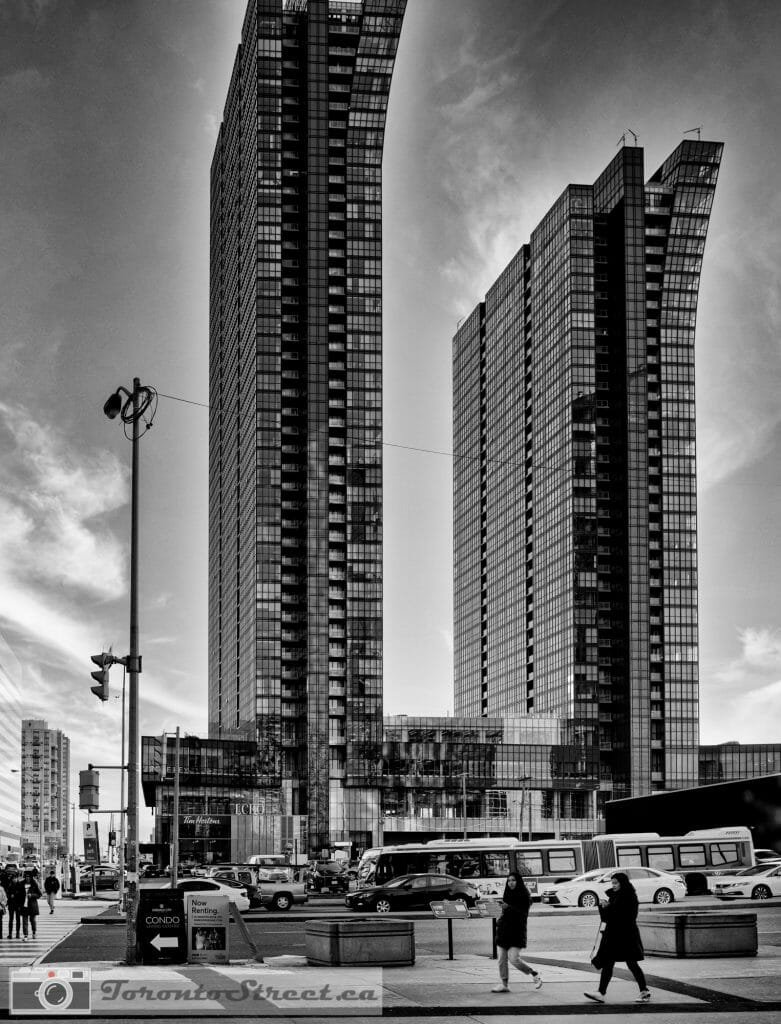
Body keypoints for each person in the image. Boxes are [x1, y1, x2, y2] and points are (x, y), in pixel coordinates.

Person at [585, 871, 651, 1004]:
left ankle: (644, 991)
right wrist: (604, 907)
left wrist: (609, 907)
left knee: (631, 963)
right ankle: (601, 992)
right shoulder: (616, 896)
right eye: (612, 883)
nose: (613, 885)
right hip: (617, 936)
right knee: (609, 963)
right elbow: (608, 918)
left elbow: (625, 917)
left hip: (626, 936)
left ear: (623, 883)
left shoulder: (629, 897)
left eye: (616, 883)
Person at [491, 871, 543, 993]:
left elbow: (522, 914)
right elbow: (505, 913)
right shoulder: (507, 894)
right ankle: (504, 984)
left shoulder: (524, 896)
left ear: (518, 881)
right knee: (501, 959)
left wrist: (508, 908)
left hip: (517, 931)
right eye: (509, 880)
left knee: (513, 958)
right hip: (504, 931)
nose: (511, 883)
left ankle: (534, 973)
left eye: (513, 880)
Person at [20, 876, 42, 941]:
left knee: (32, 920)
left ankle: (34, 932)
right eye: (26, 877)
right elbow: (18, 894)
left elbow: (39, 894)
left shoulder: (34, 885)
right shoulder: (21, 884)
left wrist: (32, 895)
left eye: (29, 877)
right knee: (24, 921)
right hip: (24, 906)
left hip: (32, 905)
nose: (27, 878)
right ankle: (25, 935)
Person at [7, 875, 26, 939]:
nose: (14, 880)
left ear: (17, 879)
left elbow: (23, 896)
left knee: (18, 919)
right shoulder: (10, 885)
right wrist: (10, 896)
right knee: (11, 919)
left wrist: (21, 905)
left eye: (15, 878)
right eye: (13, 879)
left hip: (18, 905)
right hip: (11, 905)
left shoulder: (20, 885)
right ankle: (10, 933)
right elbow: (7, 894)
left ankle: (17, 933)